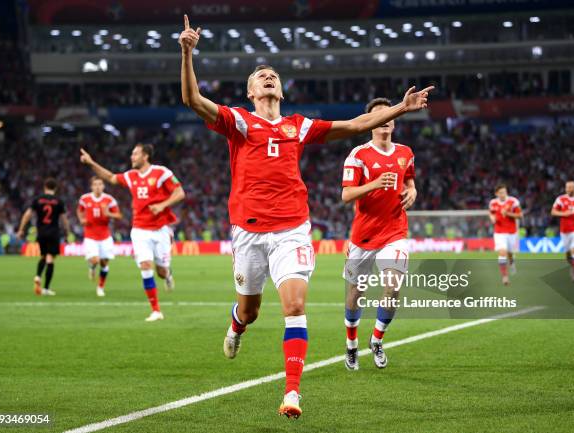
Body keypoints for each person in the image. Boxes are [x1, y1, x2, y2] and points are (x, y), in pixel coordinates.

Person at [179, 14, 433, 418]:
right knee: (250, 310)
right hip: (248, 231)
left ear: (281, 88)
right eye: (261, 75)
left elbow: (356, 124)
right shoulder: (239, 123)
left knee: (295, 307)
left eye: (273, 74)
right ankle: (236, 326)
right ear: (249, 90)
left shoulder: (299, 127)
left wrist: (401, 109)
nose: (269, 77)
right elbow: (192, 101)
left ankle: (292, 393)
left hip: (292, 230)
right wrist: (188, 52)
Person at [340, 98, 417, 371]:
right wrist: (373, 183)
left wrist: (413, 189)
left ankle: (377, 339)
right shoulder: (358, 156)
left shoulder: (406, 152)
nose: (385, 120)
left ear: (394, 121)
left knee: (393, 286)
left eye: (389, 115)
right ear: (371, 122)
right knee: (354, 294)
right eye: (379, 116)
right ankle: (351, 345)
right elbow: (346, 195)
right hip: (363, 235)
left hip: (395, 231)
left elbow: (409, 178)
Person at [79, 144, 185, 321]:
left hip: (161, 229)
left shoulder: (162, 173)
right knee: (145, 266)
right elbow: (110, 177)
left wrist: (162, 205)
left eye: (135, 154)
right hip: (140, 230)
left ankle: (168, 274)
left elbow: (180, 193)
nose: (132, 157)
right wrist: (91, 163)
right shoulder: (130, 175)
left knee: (161, 271)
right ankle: (156, 310)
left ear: (146, 156)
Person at [17, 177, 70, 296]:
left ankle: (37, 276)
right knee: (50, 258)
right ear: (55, 188)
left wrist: (21, 229)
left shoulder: (38, 200)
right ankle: (46, 288)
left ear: (44, 187)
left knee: (43, 256)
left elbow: (28, 214)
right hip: (53, 232)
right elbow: (64, 219)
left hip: (41, 232)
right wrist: (67, 232)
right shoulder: (58, 201)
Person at [77, 176, 123, 297]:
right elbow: (80, 210)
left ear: (103, 186)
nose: (98, 187)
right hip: (90, 234)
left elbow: (119, 215)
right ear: (91, 186)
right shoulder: (84, 199)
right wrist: (82, 219)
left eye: (100, 184)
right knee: (95, 260)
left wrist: (108, 213)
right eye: (95, 184)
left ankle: (100, 287)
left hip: (105, 235)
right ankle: (92, 267)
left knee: (104, 263)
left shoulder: (109, 200)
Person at [489, 184, 523, 285]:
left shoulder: (513, 201)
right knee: (502, 252)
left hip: (512, 232)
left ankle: (512, 262)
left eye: (504, 192)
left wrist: (508, 214)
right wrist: (492, 217)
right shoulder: (493, 203)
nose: (503, 194)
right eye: (500, 193)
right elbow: (491, 212)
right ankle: (505, 277)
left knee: (510, 254)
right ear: (496, 194)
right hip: (499, 232)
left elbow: (520, 215)